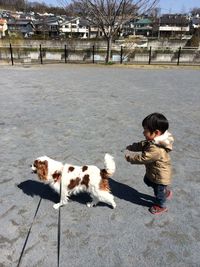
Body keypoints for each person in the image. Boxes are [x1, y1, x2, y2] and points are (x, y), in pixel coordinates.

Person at [125, 113, 174, 214]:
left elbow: (143, 158)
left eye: (145, 130)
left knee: (158, 193)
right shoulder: (153, 141)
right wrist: (132, 147)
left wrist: (130, 157)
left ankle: (161, 206)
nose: (143, 132)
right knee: (147, 180)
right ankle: (165, 191)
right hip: (154, 172)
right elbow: (142, 144)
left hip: (160, 176)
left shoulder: (156, 148)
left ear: (156, 132)